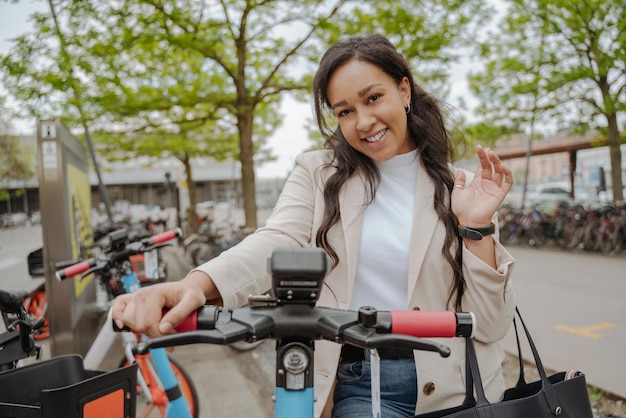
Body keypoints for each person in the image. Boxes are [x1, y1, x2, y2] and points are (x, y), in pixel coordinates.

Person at [112, 33, 515, 418]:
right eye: (345, 111)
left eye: (374, 98)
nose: (363, 121)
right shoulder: (319, 173)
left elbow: (491, 324)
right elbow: (276, 240)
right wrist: (193, 286)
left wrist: (475, 227)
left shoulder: (461, 190)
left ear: (404, 91)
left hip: (458, 387)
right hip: (360, 381)